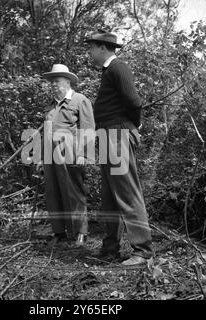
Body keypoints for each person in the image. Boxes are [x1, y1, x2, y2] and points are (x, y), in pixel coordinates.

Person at [85, 29, 153, 266]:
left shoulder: (118, 67)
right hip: (106, 135)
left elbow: (134, 102)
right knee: (109, 196)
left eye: (92, 47)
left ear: (103, 48)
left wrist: (134, 126)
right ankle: (110, 248)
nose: (90, 52)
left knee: (127, 192)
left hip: (117, 134)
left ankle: (142, 251)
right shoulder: (108, 71)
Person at [39, 64, 95, 247]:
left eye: (57, 81)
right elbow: (45, 133)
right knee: (53, 193)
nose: (53, 85)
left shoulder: (80, 100)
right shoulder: (50, 106)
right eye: (51, 82)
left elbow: (87, 129)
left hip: (71, 153)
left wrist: (84, 155)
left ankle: (81, 232)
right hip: (50, 155)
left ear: (68, 81)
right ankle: (59, 232)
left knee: (74, 192)